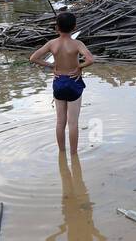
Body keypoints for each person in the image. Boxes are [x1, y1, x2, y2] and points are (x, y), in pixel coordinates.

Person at [28, 12, 95, 154]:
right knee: (73, 123)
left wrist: (51, 66)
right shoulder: (77, 44)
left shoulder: (52, 44)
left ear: (57, 27)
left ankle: (61, 153)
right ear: (74, 26)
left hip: (59, 82)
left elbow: (33, 58)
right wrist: (79, 67)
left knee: (60, 122)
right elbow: (90, 59)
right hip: (73, 82)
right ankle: (74, 154)